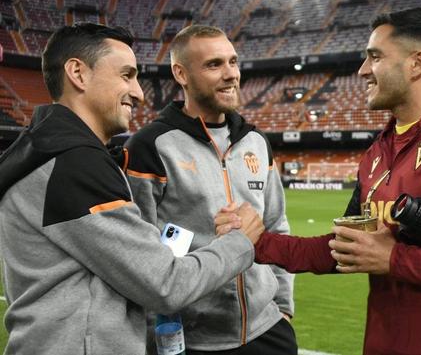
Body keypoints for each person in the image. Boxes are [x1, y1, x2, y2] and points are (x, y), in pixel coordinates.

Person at [216, 8, 421, 355]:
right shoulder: (377, 152)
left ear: (417, 63)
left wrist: (394, 260)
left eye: (375, 57)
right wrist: (256, 242)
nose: (362, 70)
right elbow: (342, 250)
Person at [0, 23, 263, 355]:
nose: (139, 93)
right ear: (78, 74)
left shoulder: (50, 151)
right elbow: (165, 284)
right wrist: (241, 242)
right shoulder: (72, 163)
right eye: (126, 75)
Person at [124, 25, 297, 355]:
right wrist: (155, 334)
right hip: (192, 341)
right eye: (214, 65)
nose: (231, 74)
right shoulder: (150, 146)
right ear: (181, 73)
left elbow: (277, 225)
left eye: (233, 62)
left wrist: (283, 308)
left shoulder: (256, 143)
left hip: (267, 329)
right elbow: (137, 253)